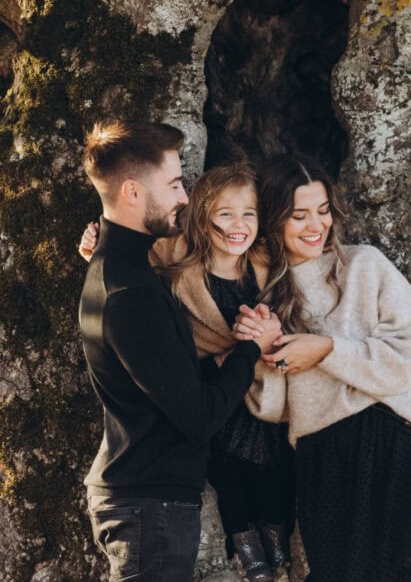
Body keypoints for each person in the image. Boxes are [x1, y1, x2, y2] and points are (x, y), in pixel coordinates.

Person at [235, 154, 411, 582]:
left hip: (397, 445)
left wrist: (327, 350)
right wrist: (269, 350)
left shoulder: (364, 264)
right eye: (300, 216)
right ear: (273, 219)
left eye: (323, 212)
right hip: (325, 466)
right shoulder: (264, 295)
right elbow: (271, 407)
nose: (316, 226)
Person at [78, 120, 280, 582]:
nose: (184, 197)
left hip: (148, 502)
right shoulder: (129, 292)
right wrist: (251, 349)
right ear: (132, 192)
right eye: (173, 184)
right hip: (149, 506)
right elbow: (200, 417)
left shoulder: (125, 270)